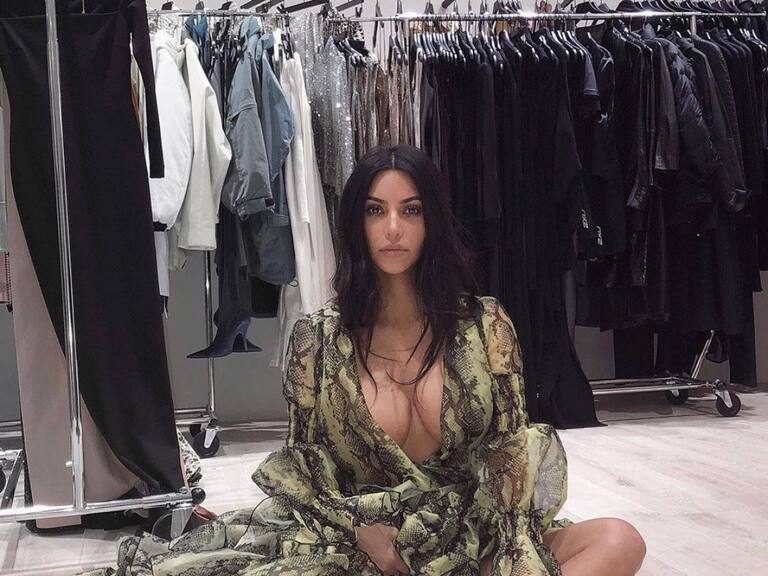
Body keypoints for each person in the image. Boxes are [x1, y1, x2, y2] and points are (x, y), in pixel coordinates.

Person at [83, 145, 646, 575]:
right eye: (377, 211)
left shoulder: (484, 326)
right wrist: (359, 530)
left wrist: (490, 542)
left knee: (619, 540)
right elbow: (306, 468)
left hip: (473, 533)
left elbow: (511, 453)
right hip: (363, 544)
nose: (393, 229)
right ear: (357, 222)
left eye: (411, 210)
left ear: (432, 221)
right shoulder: (318, 341)